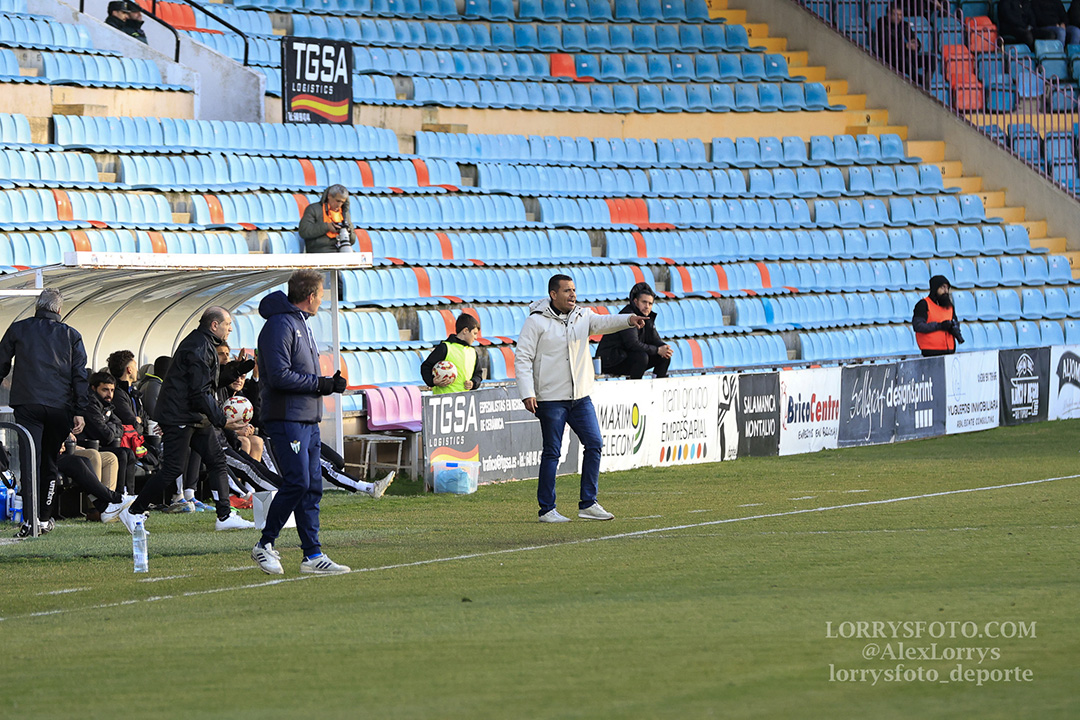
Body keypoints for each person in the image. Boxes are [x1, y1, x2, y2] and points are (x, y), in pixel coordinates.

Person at [514, 274, 646, 523]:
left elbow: (605, 322)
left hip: (580, 398)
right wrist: (527, 392)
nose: (573, 294)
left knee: (594, 443)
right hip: (551, 399)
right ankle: (547, 509)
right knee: (552, 452)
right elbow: (522, 358)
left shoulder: (582, 316)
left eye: (574, 290)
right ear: (553, 294)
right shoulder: (535, 322)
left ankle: (588, 503)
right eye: (567, 290)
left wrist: (629, 319)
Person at [118, 307, 255, 533]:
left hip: (194, 417)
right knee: (172, 469)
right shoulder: (198, 346)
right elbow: (199, 392)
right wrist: (221, 419)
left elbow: (208, 383)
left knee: (217, 461)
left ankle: (224, 515)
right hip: (180, 416)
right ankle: (133, 511)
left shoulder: (204, 343)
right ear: (214, 325)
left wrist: (238, 369)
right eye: (228, 324)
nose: (230, 328)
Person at [250, 270, 351, 575]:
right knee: (298, 482)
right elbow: (279, 376)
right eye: (320, 295)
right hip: (287, 418)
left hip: (307, 418)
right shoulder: (279, 326)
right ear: (310, 296)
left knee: (312, 486)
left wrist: (325, 384)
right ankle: (264, 544)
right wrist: (321, 384)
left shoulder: (300, 323)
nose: (322, 300)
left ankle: (312, 555)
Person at [0, 288, 90, 538]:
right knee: (49, 461)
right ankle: (44, 518)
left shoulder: (18, 329)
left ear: (37, 306)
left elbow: (1, 364)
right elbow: (79, 375)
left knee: (30, 461)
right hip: (60, 407)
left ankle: (30, 520)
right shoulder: (71, 335)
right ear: (59, 309)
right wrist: (80, 410)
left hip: (28, 404)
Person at [596, 282, 673, 380]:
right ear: (635, 301)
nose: (647, 306)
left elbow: (654, 339)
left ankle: (657, 385)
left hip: (626, 356)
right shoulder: (628, 316)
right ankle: (635, 387)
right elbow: (632, 344)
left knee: (664, 356)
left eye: (650, 304)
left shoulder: (647, 317)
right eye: (644, 302)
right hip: (611, 361)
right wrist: (657, 350)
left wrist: (664, 347)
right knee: (641, 357)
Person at [79, 371, 137, 497]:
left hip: (100, 445)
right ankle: (118, 496)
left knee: (128, 453)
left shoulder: (106, 405)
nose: (109, 394)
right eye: (105, 390)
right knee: (121, 454)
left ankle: (128, 494)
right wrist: (111, 427)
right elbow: (106, 435)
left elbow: (120, 427)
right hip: (87, 446)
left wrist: (110, 427)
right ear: (94, 388)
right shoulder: (90, 404)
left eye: (112, 390)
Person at [420, 313, 483, 393]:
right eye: (474, 333)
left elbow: (478, 374)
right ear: (465, 331)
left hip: (466, 398)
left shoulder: (473, 352)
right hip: (444, 398)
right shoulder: (445, 348)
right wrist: (432, 381)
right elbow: (426, 366)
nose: (476, 337)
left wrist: (473, 383)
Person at [873, 3, 933, 84]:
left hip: (907, 56)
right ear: (888, 14)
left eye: (901, 15)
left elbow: (915, 39)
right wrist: (906, 46)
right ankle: (922, 82)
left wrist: (916, 44)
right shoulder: (882, 24)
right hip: (891, 57)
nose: (899, 17)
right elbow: (887, 45)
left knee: (932, 59)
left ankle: (927, 79)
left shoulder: (904, 25)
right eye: (896, 15)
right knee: (906, 64)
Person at [913, 275, 964, 356]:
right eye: (943, 287)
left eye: (947, 288)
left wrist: (953, 327)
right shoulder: (924, 304)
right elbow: (918, 326)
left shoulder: (949, 307)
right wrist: (940, 326)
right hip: (931, 352)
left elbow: (955, 322)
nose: (946, 291)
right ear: (935, 288)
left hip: (949, 351)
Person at [298, 185, 355, 254]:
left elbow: (353, 240)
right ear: (329, 196)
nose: (339, 205)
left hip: (342, 249)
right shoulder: (313, 209)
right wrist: (327, 227)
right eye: (337, 201)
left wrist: (348, 231)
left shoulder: (344, 214)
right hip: (320, 251)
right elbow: (304, 231)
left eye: (342, 202)